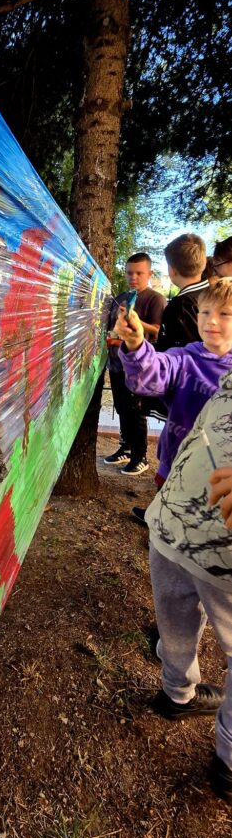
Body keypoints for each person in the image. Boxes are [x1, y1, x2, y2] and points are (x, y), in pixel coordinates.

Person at [143, 343, 232, 802]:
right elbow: (153, 376)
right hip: (209, 543)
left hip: (171, 526)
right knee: (178, 613)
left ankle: (175, 693)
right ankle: (229, 761)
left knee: (176, 612)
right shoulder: (210, 367)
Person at [113, 278, 232, 488]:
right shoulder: (184, 358)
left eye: (224, 314)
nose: (211, 320)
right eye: (205, 312)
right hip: (176, 468)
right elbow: (149, 376)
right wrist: (135, 344)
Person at [131, 233, 208, 524]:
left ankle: (167, 518)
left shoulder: (182, 304)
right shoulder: (207, 296)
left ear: (171, 269)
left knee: (178, 456)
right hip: (201, 399)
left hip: (186, 398)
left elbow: (180, 354)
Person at [104, 253, 166, 475]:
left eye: (139, 273)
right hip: (116, 363)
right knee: (121, 408)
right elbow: (112, 328)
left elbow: (158, 331)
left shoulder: (154, 299)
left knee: (136, 411)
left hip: (138, 368)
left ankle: (141, 456)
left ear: (149, 274)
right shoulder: (121, 297)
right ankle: (126, 448)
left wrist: (137, 322)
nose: (134, 277)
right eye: (130, 272)